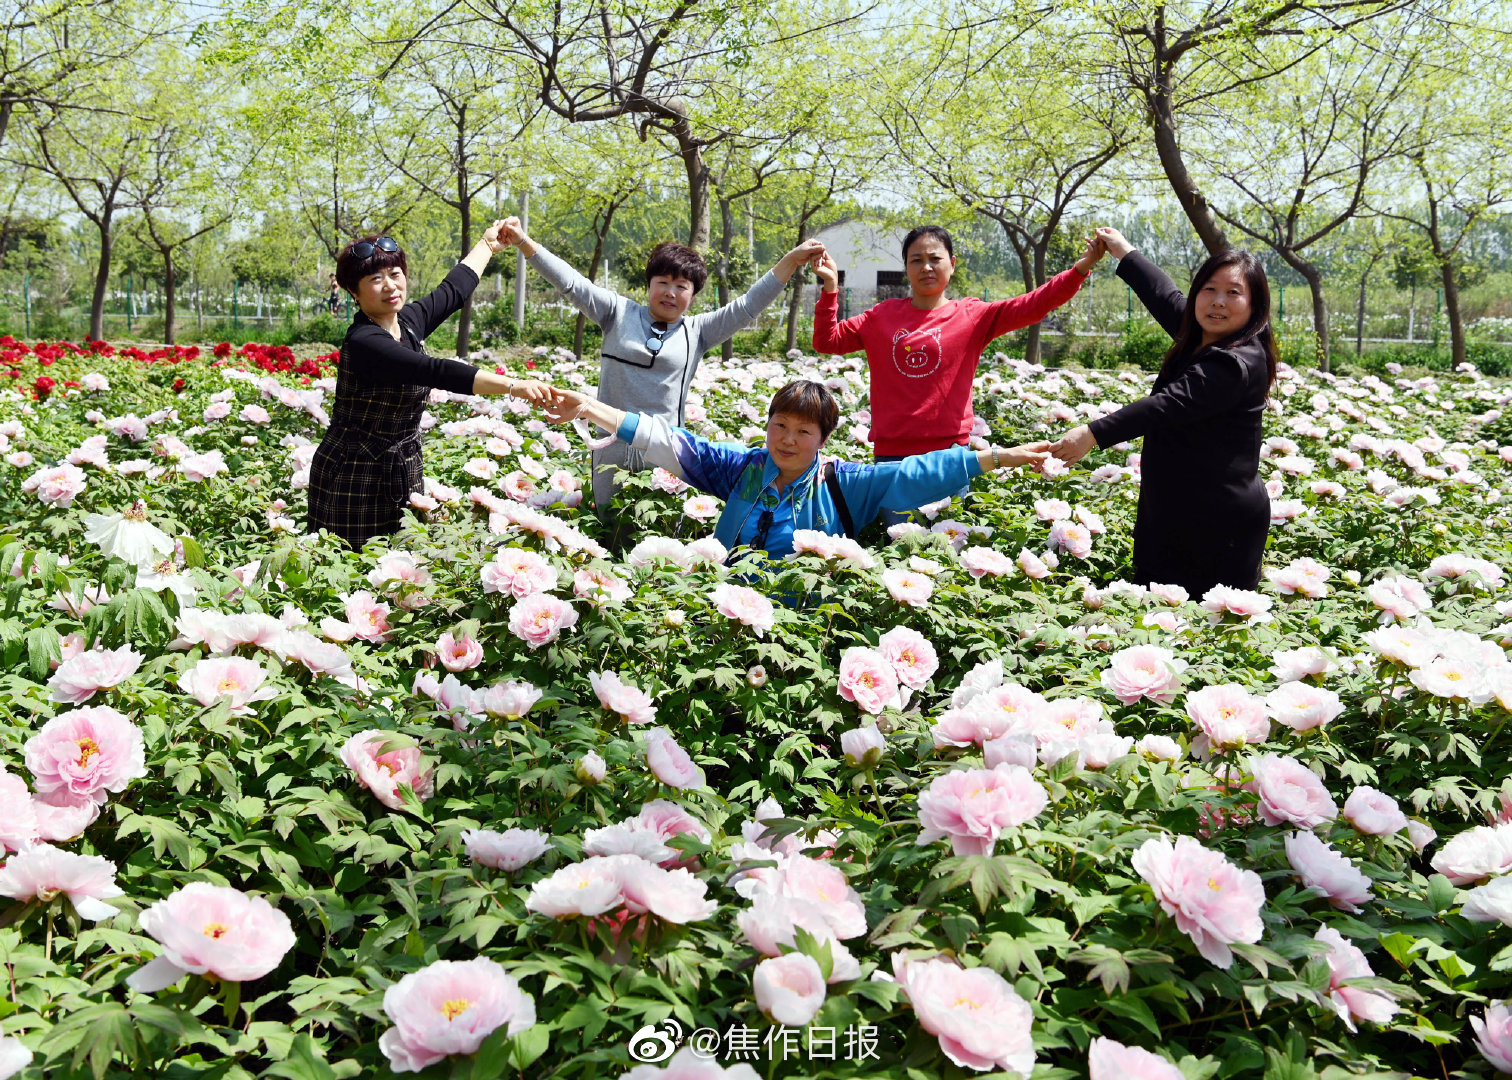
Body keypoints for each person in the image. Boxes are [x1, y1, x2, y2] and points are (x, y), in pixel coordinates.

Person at [497, 217, 825, 512]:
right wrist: (524, 242)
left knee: (659, 540)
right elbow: (571, 282)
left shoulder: (697, 331)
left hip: (666, 455)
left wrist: (790, 261)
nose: (670, 292)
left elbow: (747, 306)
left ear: (693, 295)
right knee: (607, 533)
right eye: (662, 282)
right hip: (609, 447)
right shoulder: (617, 313)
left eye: (681, 286)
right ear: (649, 284)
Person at [536, 379, 1049, 561]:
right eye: (780, 425)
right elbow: (666, 440)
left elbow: (917, 472)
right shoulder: (742, 470)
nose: (788, 439)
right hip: (723, 611)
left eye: (804, 432)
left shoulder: (841, 483)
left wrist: (997, 457)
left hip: (799, 624)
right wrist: (588, 407)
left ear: (823, 440)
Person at [811, 225, 1105, 525]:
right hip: (893, 458)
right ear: (906, 268)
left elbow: (1033, 306)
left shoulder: (972, 316)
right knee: (897, 551)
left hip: (952, 457)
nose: (926, 267)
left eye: (934, 258)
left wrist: (1081, 268)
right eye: (916, 260)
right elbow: (827, 340)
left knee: (948, 555)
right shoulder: (880, 317)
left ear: (952, 264)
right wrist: (831, 286)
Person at [1048, 227, 1276, 596]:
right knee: (1157, 618)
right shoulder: (1203, 334)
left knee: (1203, 630)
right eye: (1209, 289)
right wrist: (1125, 251)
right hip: (1175, 510)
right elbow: (1164, 296)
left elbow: (1170, 403)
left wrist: (1092, 434)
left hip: (1218, 524)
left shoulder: (1237, 361)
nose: (1218, 301)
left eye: (1233, 293)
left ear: (1255, 305)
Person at [307, 224, 553, 549]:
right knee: (353, 571)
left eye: (395, 273)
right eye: (375, 279)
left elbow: (454, 290)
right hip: (354, 473)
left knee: (404, 569)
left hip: (402, 467)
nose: (390, 286)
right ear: (354, 291)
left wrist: (487, 245)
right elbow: (433, 370)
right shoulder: (364, 340)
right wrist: (513, 385)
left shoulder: (407, 323)